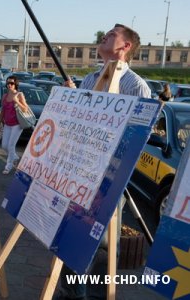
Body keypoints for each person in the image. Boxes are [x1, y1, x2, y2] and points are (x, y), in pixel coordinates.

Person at [56, 24, 151, 300]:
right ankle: (68, 293)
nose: (106, 35)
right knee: (70, 235)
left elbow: (137, 140)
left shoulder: (136, 87)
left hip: (109, 182)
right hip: (78, 175)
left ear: (126, 47)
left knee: (102, 246)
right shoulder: (89, 80)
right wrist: (70, 101)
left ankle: (96, 295)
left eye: (113, 33)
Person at [0, 76, 28, 174]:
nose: (9, 85)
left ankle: (8, 166)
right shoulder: (5, 96)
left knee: (11, 145)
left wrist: (17, 101)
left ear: (16, 84)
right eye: (8, 83)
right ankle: (14, 157)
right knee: (4, 146)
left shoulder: (19, 95)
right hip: (7, 124)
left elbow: (25, 109)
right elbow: (3, 110)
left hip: (17, 124)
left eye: (12, 83)